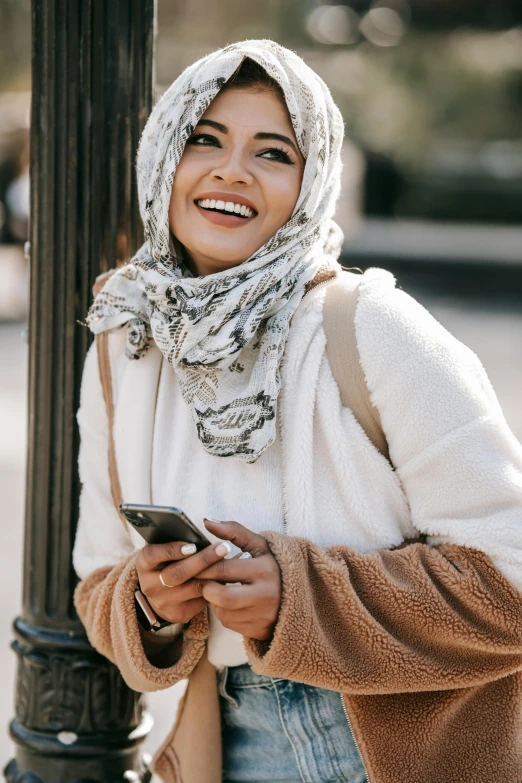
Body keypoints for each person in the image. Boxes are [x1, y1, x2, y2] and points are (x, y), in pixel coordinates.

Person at [73, 40, 522, 783]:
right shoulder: (126, 341)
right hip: (226, 738)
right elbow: (96, 582)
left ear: (311, 182)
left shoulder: (372, 325)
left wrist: (298, 598)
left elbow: (511, 579)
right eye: (203, 138)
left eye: (273, 153)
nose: (231, 171)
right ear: (160, 158)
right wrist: (152, 602)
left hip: (390, 746)